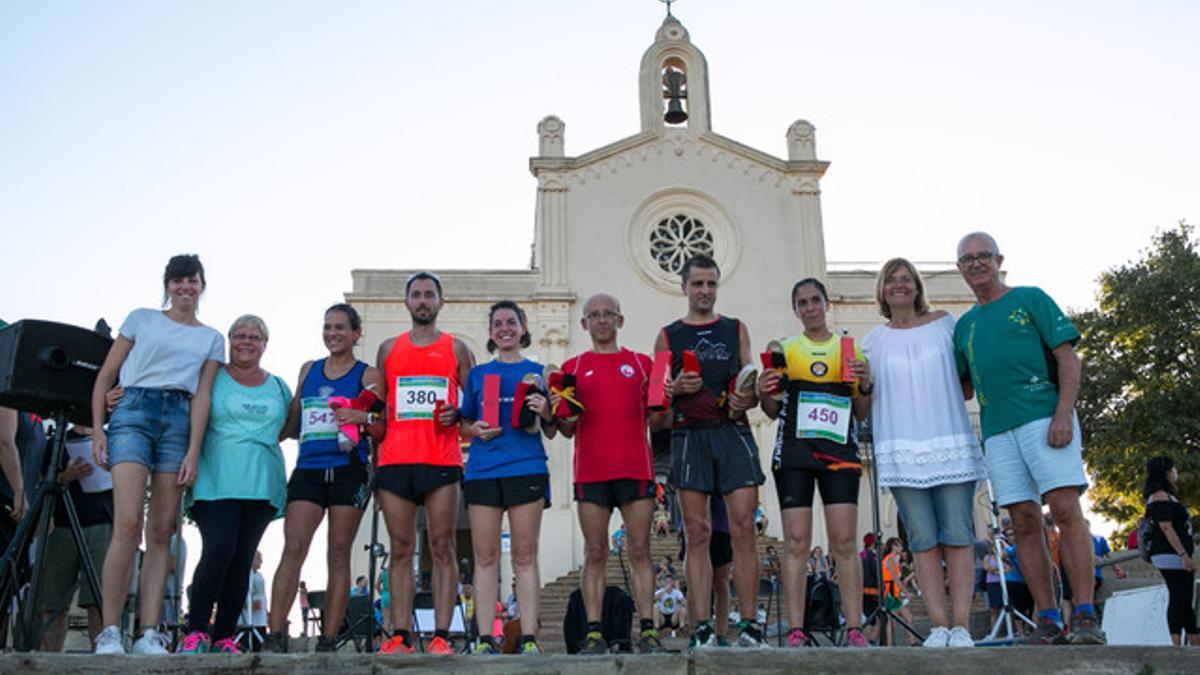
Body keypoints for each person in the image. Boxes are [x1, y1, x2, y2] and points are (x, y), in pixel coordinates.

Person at [952, 232, 1105, 645]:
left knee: (1065, 507)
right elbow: (962, 386)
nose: (976, 263)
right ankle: (1049, 617)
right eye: (967, 259)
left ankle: (1087, 612)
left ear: (1000, 259)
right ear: (959, 269)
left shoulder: (1031, 298)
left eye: (984, 255)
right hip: (998, 432)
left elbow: (1067, 357)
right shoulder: (963, 326)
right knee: (1021, 519)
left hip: (1044, 418)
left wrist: (1063, 414)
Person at [90, 254, 225, 655]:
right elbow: (105, 377)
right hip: (133, 411)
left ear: (202, 286)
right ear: (168, 286)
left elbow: (203, 396)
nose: (185, 287)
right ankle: (110, 629)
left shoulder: (211, 338)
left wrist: (194, 449)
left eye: (193, 281)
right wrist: (98, 430)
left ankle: (149, 630)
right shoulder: (142, 318)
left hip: (179, 419)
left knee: (163, 529)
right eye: (178, 281)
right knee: (128, 521)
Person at [136, 314, 289, 655]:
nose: (246, 342)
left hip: (262, 481)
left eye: (254, 337)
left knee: (243, 558)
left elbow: (287, 424)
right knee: (218, 549)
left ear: (265, 344)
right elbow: (171, 394)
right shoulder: (210, 376)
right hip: (215, 477)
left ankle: (223, 636)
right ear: (229, 340)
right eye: (239, 335)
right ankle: (195, 630)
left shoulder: (278, 385)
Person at [861, 257, 988, 648]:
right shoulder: (873, 343)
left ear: (917, 286)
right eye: (891, 280)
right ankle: (938, 626)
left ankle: (962, 625)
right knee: (922, 541)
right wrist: (862, 385)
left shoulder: (946, 325)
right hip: (901, 449)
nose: (899, 285)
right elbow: (863, 405)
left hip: (948, 441)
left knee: (958, 535)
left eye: (906, 279)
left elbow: (968, 378)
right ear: (882, 290)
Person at [654, 254, 767, 650]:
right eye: (697, 284)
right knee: (698, 533)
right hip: (689, 436)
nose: (704, 291)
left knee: (743, 531)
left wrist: (746, 396)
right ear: (683, 287)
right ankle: (701, 627)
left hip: (732, 432)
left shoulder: (735, 329)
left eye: (711, 284)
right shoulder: (668, 336)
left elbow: (750, 386)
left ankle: (750, 626)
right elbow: (657, 410)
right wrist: (673, 394)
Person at [757, 277, 872, 648]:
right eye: (802, 303)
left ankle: (854, 626)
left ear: (826, 304)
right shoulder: (786, 349)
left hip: (839, 454)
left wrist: (866, 383)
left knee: (843, 540)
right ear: (796, 310)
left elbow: (862, 410)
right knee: (796, 542)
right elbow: (772, 410)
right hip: (795, 455)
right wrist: (764, 390)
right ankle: (795, 628)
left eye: (815, 301)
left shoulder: (849, 350)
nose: (810, 308)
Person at [265, 304, 382, 653]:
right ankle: (275, 634)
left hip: (350, 468)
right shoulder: (309, 370)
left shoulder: (368, 374)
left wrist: (360, 415)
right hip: (310, 469)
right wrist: (261, 435)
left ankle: (329, 637)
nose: (333, 333)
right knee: (294, 548)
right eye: (328, 327)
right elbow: (292, 421)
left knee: (338, 552)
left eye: (341, 328)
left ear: (356, 333)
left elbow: (380, 426)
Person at [556, 292, 666, 654]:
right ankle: (592, 632)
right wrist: (559, 414)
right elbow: (567, 427)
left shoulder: (641, 363)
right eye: (594, 315)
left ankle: (648, 629)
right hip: (591, 472)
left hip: (635, 469)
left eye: (609, 314)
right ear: (584, 323)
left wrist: (671, 396)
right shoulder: (570, 367)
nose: (602, 320)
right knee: (595, 551)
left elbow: (659, 420)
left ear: (620, 321)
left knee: (640, 550)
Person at [375, 272, 474, 656]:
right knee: (400, 549)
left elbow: (472, 405)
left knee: (442, 546)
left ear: (440, 302)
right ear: (406, 303)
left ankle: (442, 637)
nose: (422, 301)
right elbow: (378, 411)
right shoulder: (388, 349)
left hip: (441, 460)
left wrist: (458, 413)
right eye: (415, 295)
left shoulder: (457, 348)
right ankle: (400, 635)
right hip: (395, 461)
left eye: (428, 295)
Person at [457, 300, 556, 656]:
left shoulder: (539, 372)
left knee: (525, 556)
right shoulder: (480, 375)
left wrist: (546, 410)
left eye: (511, 322)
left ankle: (529, 637)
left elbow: (555, 429)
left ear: (523, 327)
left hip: (526, 467)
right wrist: (474, 430)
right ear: (490, 332)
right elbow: (464, 423)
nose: (504, 328)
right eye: (497, 323)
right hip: (483, 471)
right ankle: (485, 638)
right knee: (484, 557)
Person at [36, 425, 113, 652]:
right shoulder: (57, 441)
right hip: (62, 525)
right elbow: (43, 482)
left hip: (103, 523)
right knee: (52, 601)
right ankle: (50, 660)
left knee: (99, 601)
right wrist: (65, 476)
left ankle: (102, 657)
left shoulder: (112, 439)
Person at [1142, 456, 1198, 646]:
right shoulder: (1160, 497)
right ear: (1166, 472)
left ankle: (1193, 638)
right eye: (1173, 469)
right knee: (1178, 596)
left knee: (1184, 597)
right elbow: (1166, 527)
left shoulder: (1167, 496)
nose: (1176, 472)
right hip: (1171, 554)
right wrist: (1183, 554)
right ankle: (1175, 642)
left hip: (1176, 554)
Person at [881, 538, 917, 646]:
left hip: (890, 593)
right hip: (891, 593)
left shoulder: (890, 559)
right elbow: (895, 580)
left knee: (893, 621)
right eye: (900, 546)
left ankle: (891, 644)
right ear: (894, 546)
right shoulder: (891, 559)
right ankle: (911, 642)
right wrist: (906, 592)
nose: (901, 548)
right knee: (906, 618)